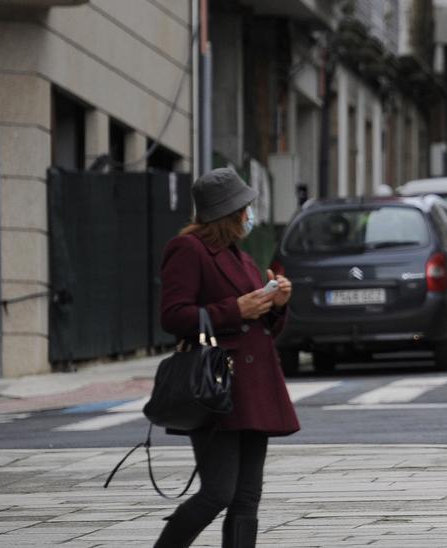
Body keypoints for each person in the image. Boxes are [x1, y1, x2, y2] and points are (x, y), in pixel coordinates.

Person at [155, 168, 299, 547]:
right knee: (217, 492)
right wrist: (234, 310)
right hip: (217, 387)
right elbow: (173, 316)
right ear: (232, 212)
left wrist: (276, 305)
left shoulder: (243, 258)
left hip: (255, 390)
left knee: (247, 496)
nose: (250, 214)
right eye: (246, 208)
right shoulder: (188, 250)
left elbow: (261, 325)